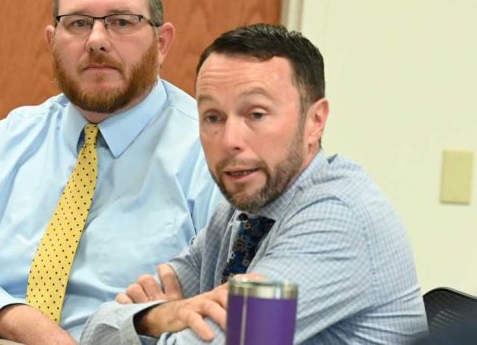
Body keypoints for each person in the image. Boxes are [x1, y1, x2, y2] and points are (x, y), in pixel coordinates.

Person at [0, 0, 223, 344]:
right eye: (78, 23)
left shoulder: (210, 151)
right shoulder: (4, 143)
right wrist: (18, 321)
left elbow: (223, 311)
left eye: (121, 21)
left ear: (162, 42)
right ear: (52, 42)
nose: (97, 40)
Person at [81, 23, 429, 344]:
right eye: (212, 117)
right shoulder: (237, 216)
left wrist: (156, 324)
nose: (230, 139)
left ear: (315, 122)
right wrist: (156, 317)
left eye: (256, 114)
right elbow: (95, 332)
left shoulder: (338, 219)